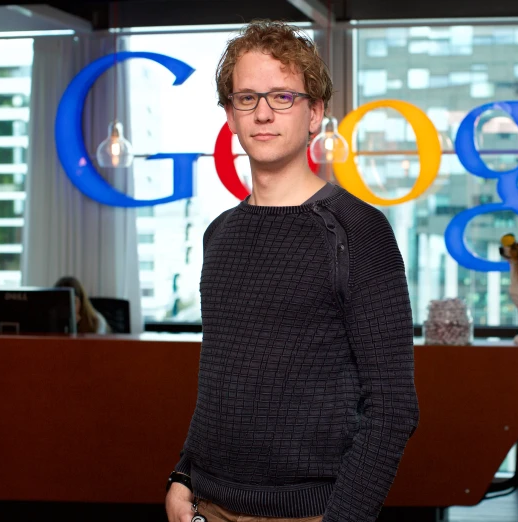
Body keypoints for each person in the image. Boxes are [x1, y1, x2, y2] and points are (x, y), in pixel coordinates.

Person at [165, 20, 420, 522]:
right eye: (246, 98)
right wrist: (183, 475)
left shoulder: (358, 230)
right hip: (206, 507)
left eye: (283, 97)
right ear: (230, 117)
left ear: (315, 113)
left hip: (307, 514)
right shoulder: (220, 234)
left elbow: (393, 407)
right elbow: (221, 379)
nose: (262, 113)